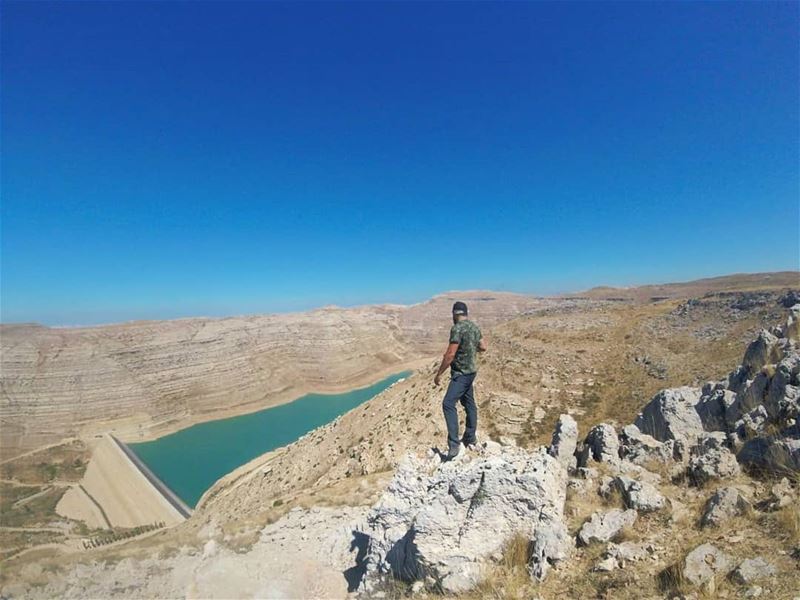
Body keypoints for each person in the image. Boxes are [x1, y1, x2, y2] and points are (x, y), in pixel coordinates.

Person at [434, 301, 487, 459]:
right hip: (471, 372)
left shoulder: (457, 328)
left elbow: (450, 354)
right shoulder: (474, 327)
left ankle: (454, 444)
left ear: (454, 314)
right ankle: (470, 437)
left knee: (448, 404)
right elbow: (483, 347)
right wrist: (471, 348)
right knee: (469, 403)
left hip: (461, 374)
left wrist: (439, 374)